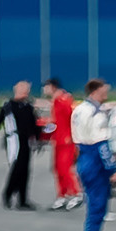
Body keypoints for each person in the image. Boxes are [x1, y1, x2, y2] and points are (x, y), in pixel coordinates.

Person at [72, 79, 116, 231]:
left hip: (83, 157)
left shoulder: (79, 109)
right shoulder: (95, 113)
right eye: (103, 90)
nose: (106, 93)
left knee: (94, 207)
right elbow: (102, 145)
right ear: (95, 91)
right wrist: (112, 170)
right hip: (94, 161)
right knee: (97, 209)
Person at [0, 80, 44, 209]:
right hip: (14, 141)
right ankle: (8, 195)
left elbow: (35, 125)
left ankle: (23, 200)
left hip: (26, 141)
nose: (27, 93)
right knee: (17, 169)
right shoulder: (8, 106)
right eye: (25, 90)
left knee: (25, 171)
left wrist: (38, 140)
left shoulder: (28, 107)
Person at [46, 78, 82, 210]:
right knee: (58, 168)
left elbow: (72, 118)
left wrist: (72, 136)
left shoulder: (64, 100)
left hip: (66, 140)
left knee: (65, 168)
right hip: (58, 139)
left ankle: (76, 193)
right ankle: (62, 195)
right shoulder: (56, 101)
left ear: (52, 87)